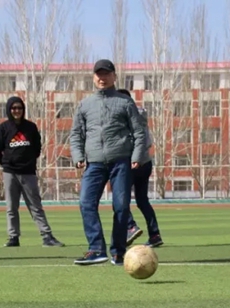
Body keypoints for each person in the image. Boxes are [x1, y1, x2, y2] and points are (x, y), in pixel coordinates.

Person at [69, 59, 148, 265]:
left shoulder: (125, 102)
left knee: (121, 206)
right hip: (94, 163)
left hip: (121, 162)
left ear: (114, 76)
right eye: (99, 74)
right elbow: (76, 134)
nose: (102, 78)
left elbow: (139, 132)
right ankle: (96, 249)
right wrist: (78, 156)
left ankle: (118, 252)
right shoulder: (85, 105)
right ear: (93, 77)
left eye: (106, 74)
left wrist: (136, 156)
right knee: (86, 203)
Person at [0, 96, 64, 248]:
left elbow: (37, 148)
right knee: (11, 207)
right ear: (9, 110)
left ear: (23, 110)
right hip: (10, 173)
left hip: (28, 173)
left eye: (19, 108)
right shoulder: (2, 128)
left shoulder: (30, 127)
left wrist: (28, 162)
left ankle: (47, 237)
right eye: (13, 108)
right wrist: (7, 163)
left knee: (35, 206)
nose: (16, 111)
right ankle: (13, 237)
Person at [117, 89, 163, 248]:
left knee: (120, 199)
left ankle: (130, 226)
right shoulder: (141, 114)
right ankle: (155, 234)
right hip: (146, 161)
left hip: (131, 162)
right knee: (142, 200)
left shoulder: (124, 116)